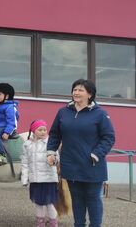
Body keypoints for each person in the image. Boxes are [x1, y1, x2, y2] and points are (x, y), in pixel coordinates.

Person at [47, 79, 115, 227]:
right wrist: (50, 152)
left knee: (93, 199)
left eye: (80, 90)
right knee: (76, 199)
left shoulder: (100, 114)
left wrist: (96, 154)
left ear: (90, 94)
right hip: (70, 164)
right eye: (74, 90)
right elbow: (54, 134)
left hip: (92, 165)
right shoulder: (63, 112)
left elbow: (108, 137)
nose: (76, 93)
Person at [22, 119, 59, 227]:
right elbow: (25, 162)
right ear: (33, 131)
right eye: (40, 129)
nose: (43, 132)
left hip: (49, 180)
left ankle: (53, 224)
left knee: (49, 203)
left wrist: (54, 160)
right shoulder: (27, 145)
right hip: (35, 180)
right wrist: (25, 179)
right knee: (38, 203)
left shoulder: (50, 143)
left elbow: (57, 158)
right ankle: (40, 224)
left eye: (45, 129)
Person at [0, 83, 19, 164]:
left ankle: (2, 155)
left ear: (6, 96)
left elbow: (12, 122)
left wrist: (7, 132)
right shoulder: (0, 105)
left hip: (5, 127)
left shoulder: (10, 107)